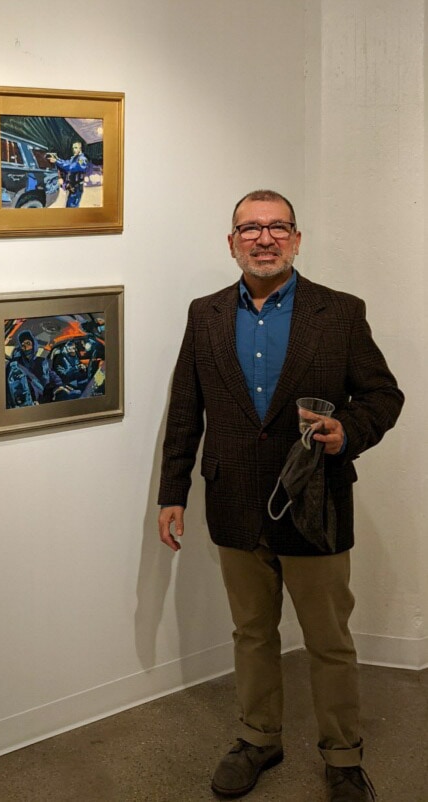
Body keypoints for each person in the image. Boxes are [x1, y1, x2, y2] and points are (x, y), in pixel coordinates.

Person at [157, 190, 403, 802]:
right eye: (250, 229)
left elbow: (383, 396)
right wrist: (173, 492)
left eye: (277, 228)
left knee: (328, 639)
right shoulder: (205, 313)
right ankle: (258, 737)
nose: (263, 239)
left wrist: (349, 431)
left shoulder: (340, 312)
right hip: (235, 503)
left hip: (315, 504)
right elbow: (186, 411)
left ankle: (343, 757)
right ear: (232, 240)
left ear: (296, 239)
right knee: (252, 632)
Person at [5, 330, 75, 407]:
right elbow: (17, 388)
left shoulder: (42, 361)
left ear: (34, 345)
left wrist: (58, 387)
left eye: (28, 343)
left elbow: (53, 376)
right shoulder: (16, 365)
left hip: (46, 399)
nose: (25, 347)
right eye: (22, 345)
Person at [47, 141, 88, 207]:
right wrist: (57, 159)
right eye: (73, 148)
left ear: (80, 148)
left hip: (76, 187)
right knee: (69, 205)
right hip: (72, 186)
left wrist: (56, 161)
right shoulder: (74, 158)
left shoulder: (82, 159)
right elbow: (66, 162)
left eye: (76, 148)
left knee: (72, 206)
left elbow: (71, 167)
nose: (74, 150)